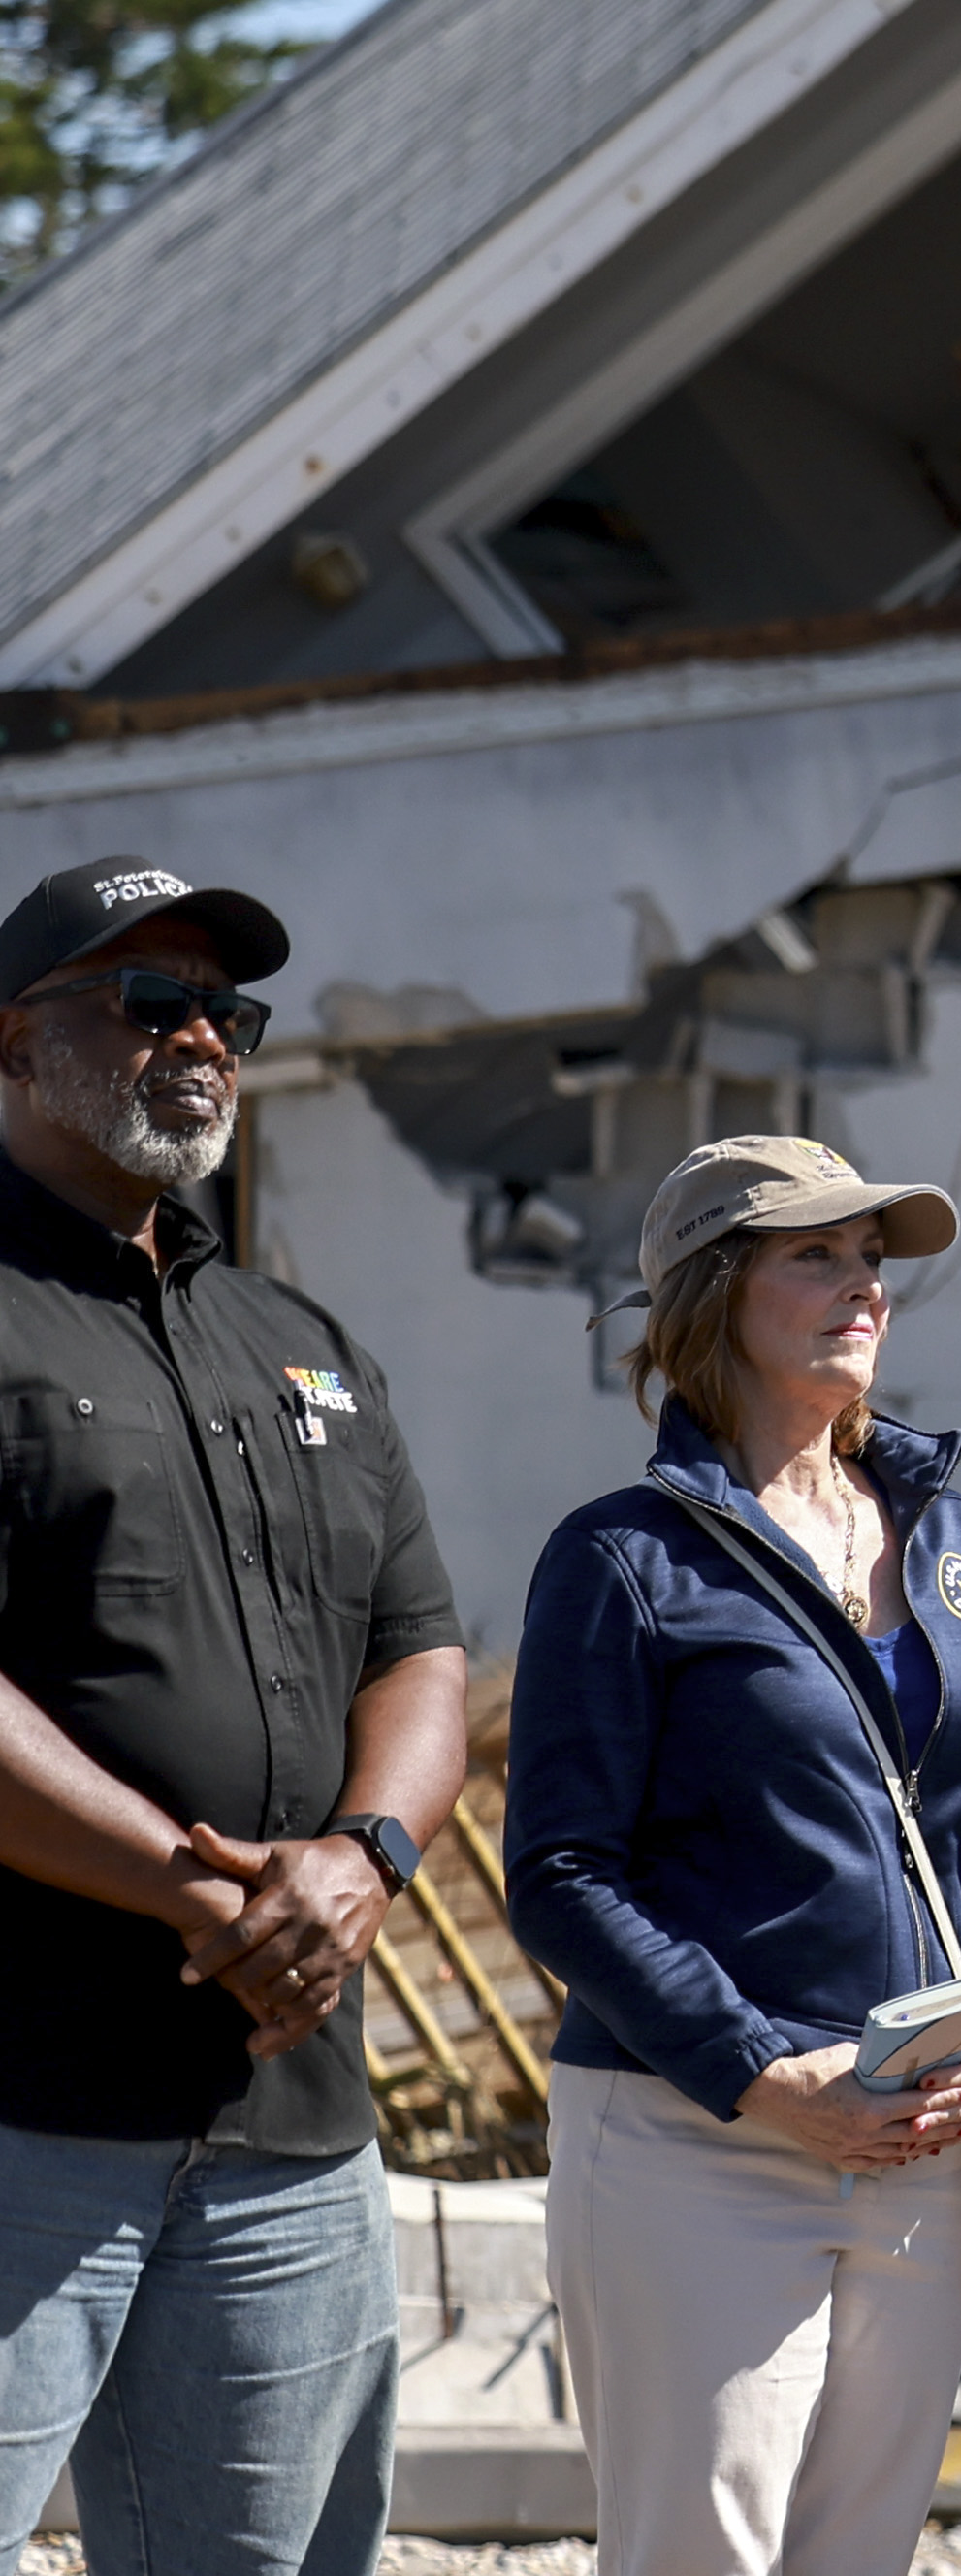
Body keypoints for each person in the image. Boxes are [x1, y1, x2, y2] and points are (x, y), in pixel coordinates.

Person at [505, 1141, 961, 2576]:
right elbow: (562, 1875)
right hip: (699, 2141)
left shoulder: (957, 1536)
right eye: (814, 1254)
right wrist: (762, 2073)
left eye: (873, 1255)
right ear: (712, 1293)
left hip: (932, 2132)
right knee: (699, 2553)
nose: (864, 1284)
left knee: (857, 2558)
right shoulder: (624, 1557)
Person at [0, 858, 465, 2576]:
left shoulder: (297, 1335)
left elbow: (420, 1647)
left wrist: (364, 1858)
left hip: (287, 2122)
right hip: (27, 2110)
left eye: (227, 1010)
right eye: (147, 999)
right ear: (13, 1038)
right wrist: (193, 1891)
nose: (199, 1035)